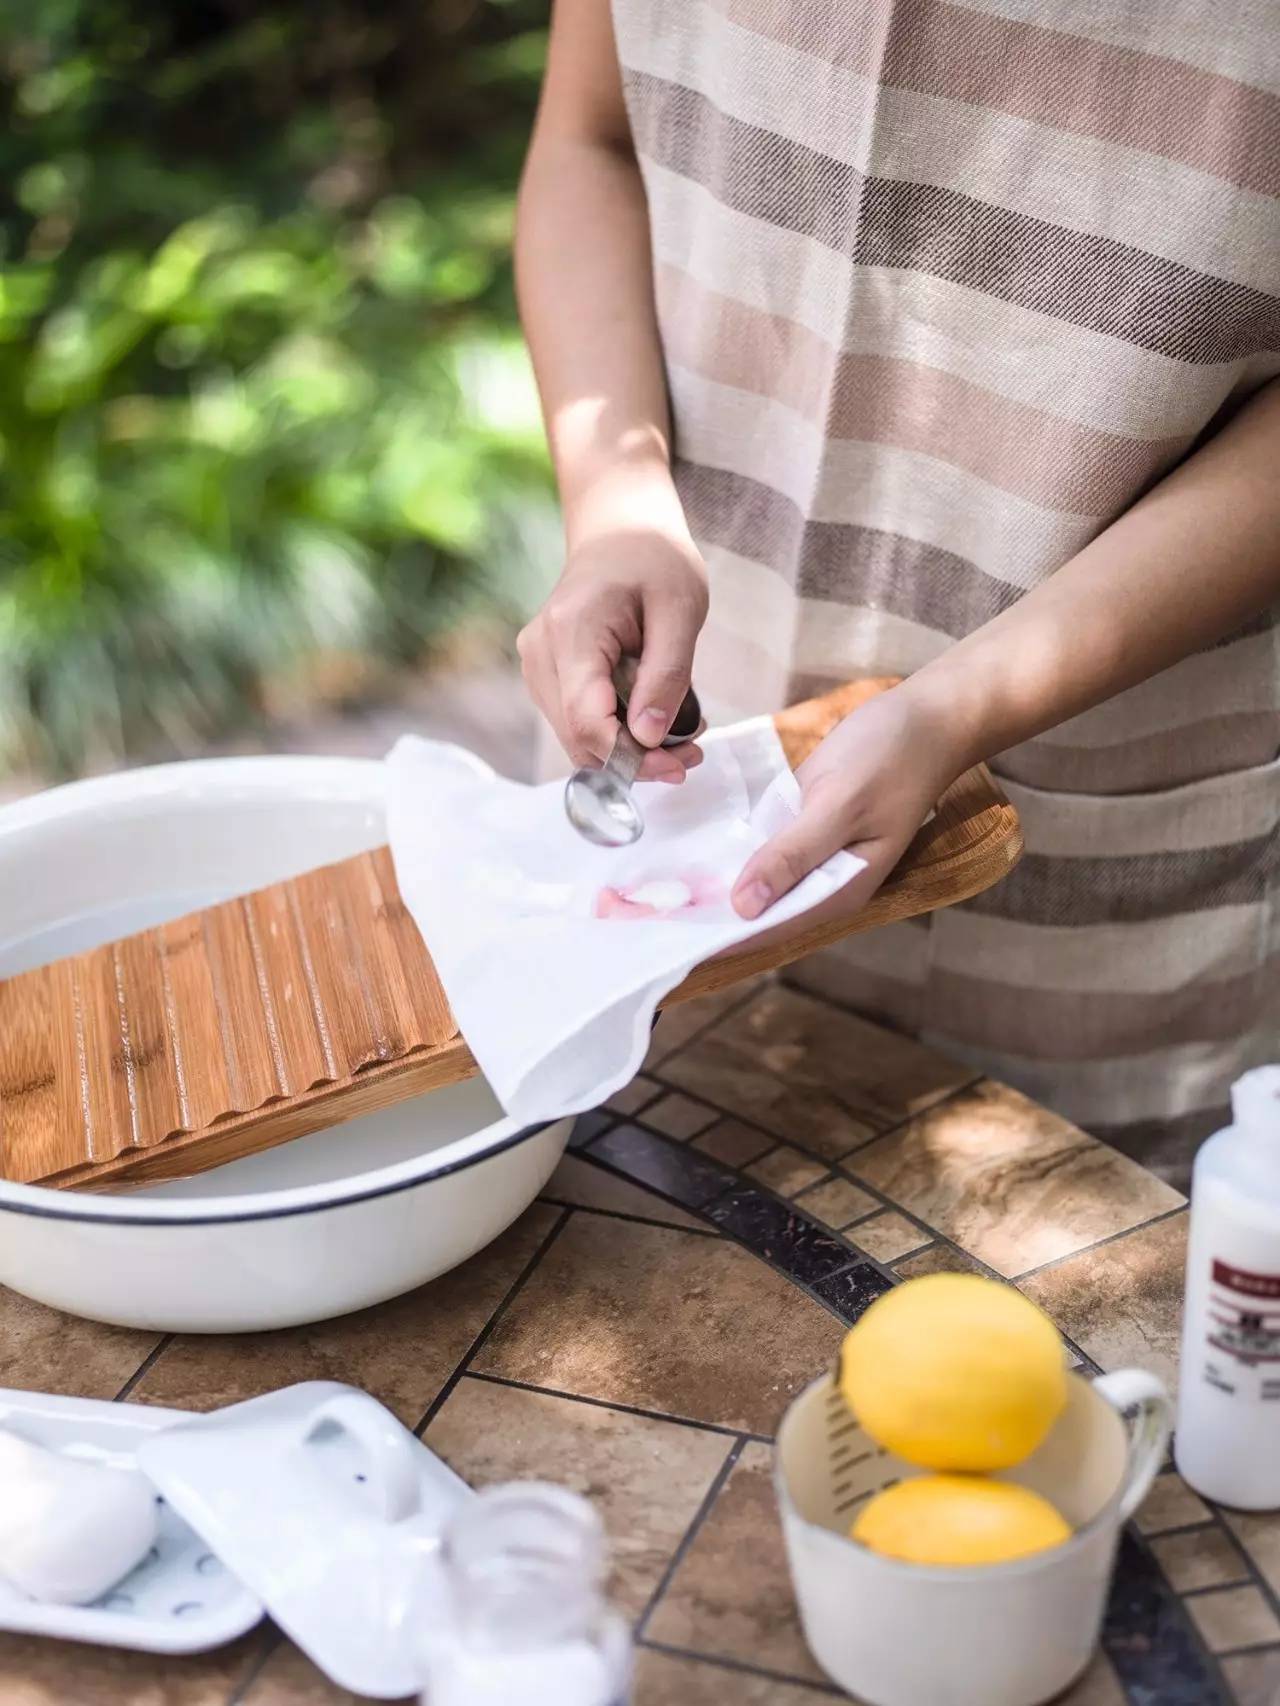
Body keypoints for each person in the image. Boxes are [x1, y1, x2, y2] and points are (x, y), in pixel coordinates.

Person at [513, 0, 1280, 1185]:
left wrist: (963, 705)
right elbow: (588, 140)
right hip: (696, 679)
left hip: (1106, 787)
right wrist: (616, 504)